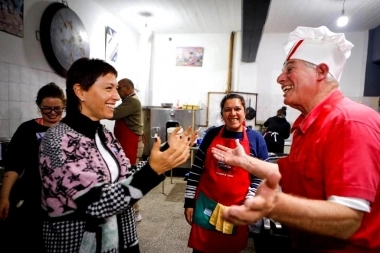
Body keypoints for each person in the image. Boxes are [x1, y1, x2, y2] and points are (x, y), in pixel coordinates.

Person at [211, 26, 380, 253]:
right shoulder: (307, 125)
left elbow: (348, 220)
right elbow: (288, 174)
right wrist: (245, 162)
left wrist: (275, 206)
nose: (280, 78)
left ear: (321, 71)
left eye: (290, 69)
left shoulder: (349, 122)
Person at [39, 57, 196, 253]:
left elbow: (126, 175)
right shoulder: (58, 140)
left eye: (116, 88)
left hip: (123, 240)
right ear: (80, 91)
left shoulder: (103, 134)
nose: (116, 96)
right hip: (80, 245)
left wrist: (165, 151)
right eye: (108, 88)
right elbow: (96, 202)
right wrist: (152, 170)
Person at [184, 93, 268, 253]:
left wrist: (249, 199)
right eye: (227, 109)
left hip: (237, 207)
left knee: (230, 248)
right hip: (205, 204)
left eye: (237, 109)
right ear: (222, 114)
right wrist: (189, 202)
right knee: (202, 248)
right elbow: (195, 171)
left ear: (245, 112)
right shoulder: (211, 134)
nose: (233, 113)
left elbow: (261, 175)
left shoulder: (256, 139)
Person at [0, 82, 66, 253]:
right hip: (33, 197)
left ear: (64, 106)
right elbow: (13, 164)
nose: (52, 113)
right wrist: (4, 197)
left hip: (64, 199)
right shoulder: (27, 130)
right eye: (47, 109)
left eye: (57, 109)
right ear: (39, 106)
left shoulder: (70, 130)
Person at [111, 78, 144, 222]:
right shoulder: (129, 100)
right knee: (126, 175)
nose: (117, 91)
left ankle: (135, 211)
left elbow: (114, 114)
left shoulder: (132, 101)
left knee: (130, 176)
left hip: (132, 143)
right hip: (126, 142)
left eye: (119, 88)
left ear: (128, 88)